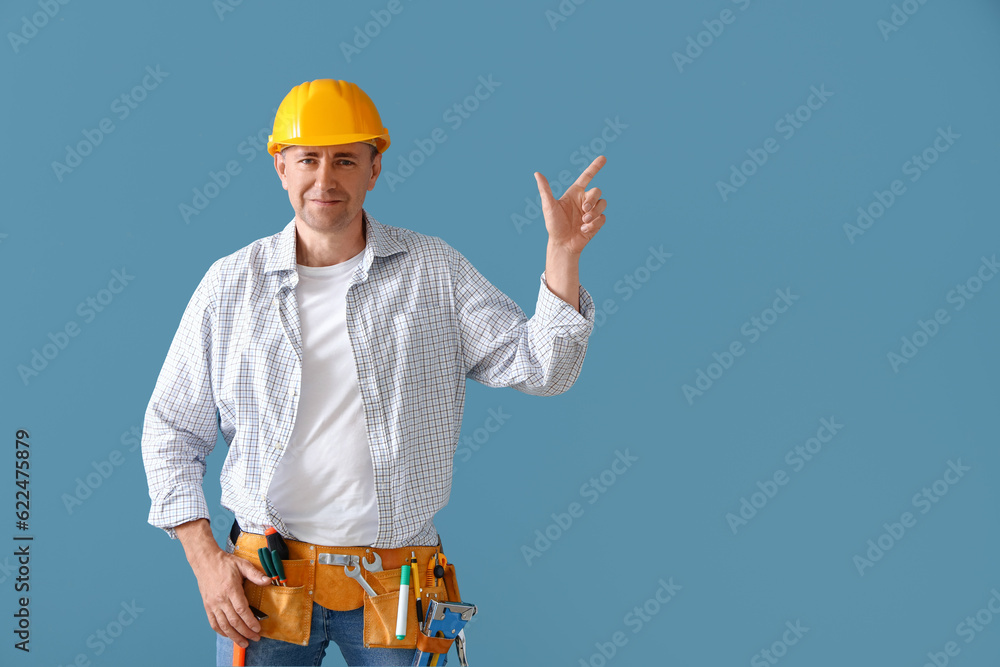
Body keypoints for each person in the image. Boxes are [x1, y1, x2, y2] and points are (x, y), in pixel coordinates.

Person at [141, 79, 607, 666]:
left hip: (396, 588)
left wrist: (563, 255)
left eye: (344, 160)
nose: (325, 179)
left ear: (375, 167)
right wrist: (206, 561)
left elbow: (545, 369)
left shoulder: (433, 271)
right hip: (266, 587)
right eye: (308, 159)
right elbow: (169, 430)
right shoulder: (230, 285)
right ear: (280, 167)